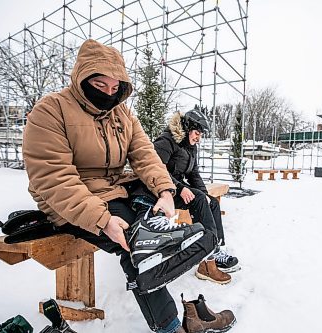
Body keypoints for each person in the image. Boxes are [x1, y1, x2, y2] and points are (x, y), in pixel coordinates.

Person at [22, 39, 234, 333]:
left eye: (115, 88)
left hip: (115, 189)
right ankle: (173, 325)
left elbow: (145, 156)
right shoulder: (52, 110)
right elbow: (53, 177)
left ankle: (189, 271)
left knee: (152, 226)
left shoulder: (122, 115)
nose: (109, 94)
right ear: (82, 78)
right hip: (71, 199)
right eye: (100, 86)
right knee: (135, 244)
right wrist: (102, 219)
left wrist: (165, 191)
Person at [153, 109, 240, 285]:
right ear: (186, 128)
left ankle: (216, 249)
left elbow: (194, 175)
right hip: (159, 190)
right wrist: (180, 187)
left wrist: (205, 194)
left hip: (174, 188)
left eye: (200, 134)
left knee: (211, 201)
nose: (198, 137)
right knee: (198, 198)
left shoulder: (190, 147)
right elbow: (156, 170)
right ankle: (208, 255)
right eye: (197, 133)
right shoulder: (166, 141)